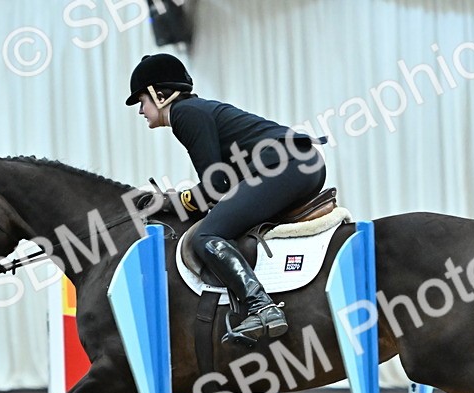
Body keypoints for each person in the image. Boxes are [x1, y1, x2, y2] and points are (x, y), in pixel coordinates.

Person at [126, 53, 327, 343]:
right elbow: (221, 185)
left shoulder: (185, 114)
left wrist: (172, 202)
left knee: (207, 235)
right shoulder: (196, 111)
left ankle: (262, 306)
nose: (140, 111)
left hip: (288, 165)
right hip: (300, 164)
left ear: (159, 95)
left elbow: (214, 188)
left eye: (141, 101)